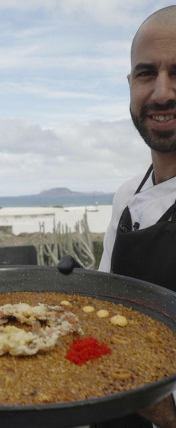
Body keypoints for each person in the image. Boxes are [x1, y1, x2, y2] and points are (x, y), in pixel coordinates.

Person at [58, 5, 176, 428]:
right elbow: (102, 308)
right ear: (131, 85)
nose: (162, 93)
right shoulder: (127, 196)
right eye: (147, 73)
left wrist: (156, 402)